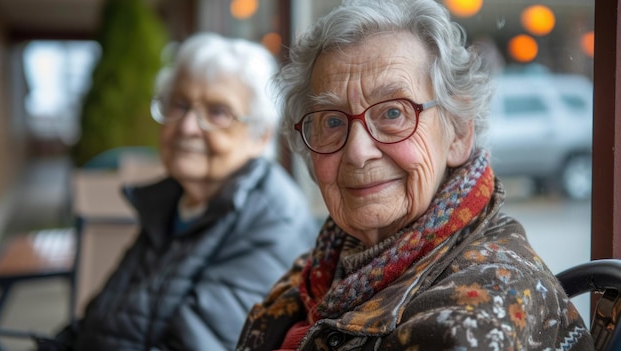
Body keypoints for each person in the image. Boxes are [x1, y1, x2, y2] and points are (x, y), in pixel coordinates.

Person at [235, 0, 594, 350]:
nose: (358, 152)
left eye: (393, 113)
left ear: (458, 132)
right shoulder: (322, 269)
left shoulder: (479, 311)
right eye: (331, 121)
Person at [55, 32, 318, 351]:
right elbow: (100, 321)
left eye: (218, 112)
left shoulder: (273, 222)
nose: (187, 126)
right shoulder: (175, 202)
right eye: (179, 105)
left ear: (260, 136)